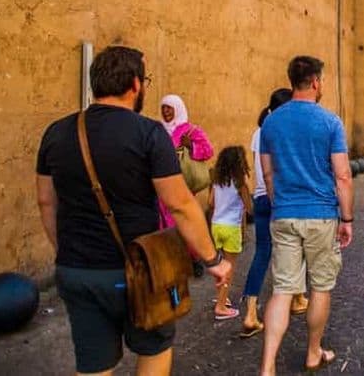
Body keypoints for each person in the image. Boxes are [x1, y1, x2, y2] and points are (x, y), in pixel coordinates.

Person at [36, 45, 231, 376]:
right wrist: (212, 260)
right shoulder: (148, 133)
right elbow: (180, 204)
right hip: (140, 270)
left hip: (77, 270)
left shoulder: (56, 132)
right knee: (154, 350)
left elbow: (46, 201)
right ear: (135, 84)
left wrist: (66, 251)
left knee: (94, 364)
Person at [258, 56, 354, 375]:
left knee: (282, 290)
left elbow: (268, 174)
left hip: (284, 213)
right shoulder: (330, 122)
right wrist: (347, 219)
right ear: (315, 82)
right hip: (321, 214)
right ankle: (313, 352)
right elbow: (343, 176)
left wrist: (280, 204)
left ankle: (267, 366)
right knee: (321, 287)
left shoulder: (271, 122)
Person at [241, 88, 309, 338]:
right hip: (282, 197)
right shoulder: (283, 130)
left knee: (262, 253)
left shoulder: (258, 132)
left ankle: (250, 312)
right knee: (295, 247)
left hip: (260, 197)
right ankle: (297, 298)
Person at [159, 94, 214, 276]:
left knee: (184, 223)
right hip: (161, 186)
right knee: (164, 225)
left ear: (178, 109)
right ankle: (170, 260)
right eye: (163, 108)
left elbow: (208, 151)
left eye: (169, 108)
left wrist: (191, 146)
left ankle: (194, 258)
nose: (166, 112)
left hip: (182, 187)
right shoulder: (158, 130)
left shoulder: (190, 130)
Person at [208, 146, 253, 320]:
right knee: (229, 268)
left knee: (219, 265)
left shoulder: (217, 181)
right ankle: (221, 307)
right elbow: (249, 208)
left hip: (216, 225)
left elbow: (211, 203)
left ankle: (222, 297)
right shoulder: (239, 183)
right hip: (231, 228)